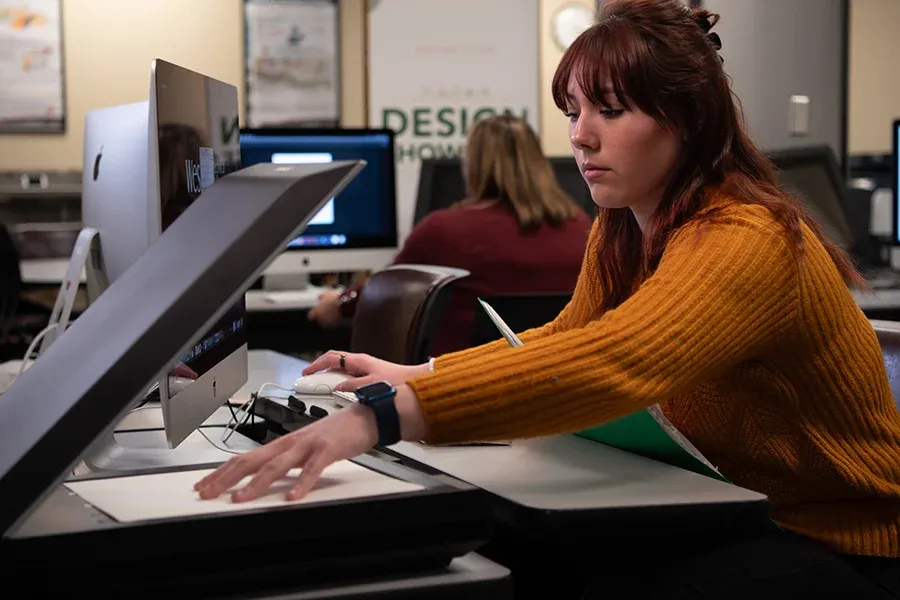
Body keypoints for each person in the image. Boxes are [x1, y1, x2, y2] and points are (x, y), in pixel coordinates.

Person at [197, 0, 900, 595]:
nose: (580, 135)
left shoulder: (747, 236)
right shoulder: (622, 229)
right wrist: (421, 375)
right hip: (729, 504)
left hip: (835, 538)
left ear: (690, 120)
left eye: (611, 110)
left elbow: (619, 360)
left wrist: (379, 418)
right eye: (573, 109)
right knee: (496, 542)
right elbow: (568, 336)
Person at [306, 114, 592, 356]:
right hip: (553, 387)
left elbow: (383, 293)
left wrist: (338, 304)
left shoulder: (446, 231)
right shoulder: (582, 227)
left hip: (465, 386)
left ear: (473, 165)